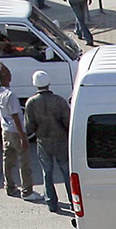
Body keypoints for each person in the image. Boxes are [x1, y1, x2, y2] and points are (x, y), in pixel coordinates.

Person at [22, 70, 70, 210]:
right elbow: (67, 121)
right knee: (66, 171)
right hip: (61, 141)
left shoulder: (31, 103)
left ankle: (52, 203)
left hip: (43, 142)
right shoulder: (59, 100)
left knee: (47, 173)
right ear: (49, 83)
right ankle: (73, 201)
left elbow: (29, 127)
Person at [0, 63, 34, 199]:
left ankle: (9, 186)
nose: (10, 74)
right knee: (24, 162)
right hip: (15, 131)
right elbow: (16, 117)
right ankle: (27, 190)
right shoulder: (11, 96)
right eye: (8, 73)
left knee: (7, 160)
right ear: (6, 77)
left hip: (5, 131)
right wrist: (23, 137)